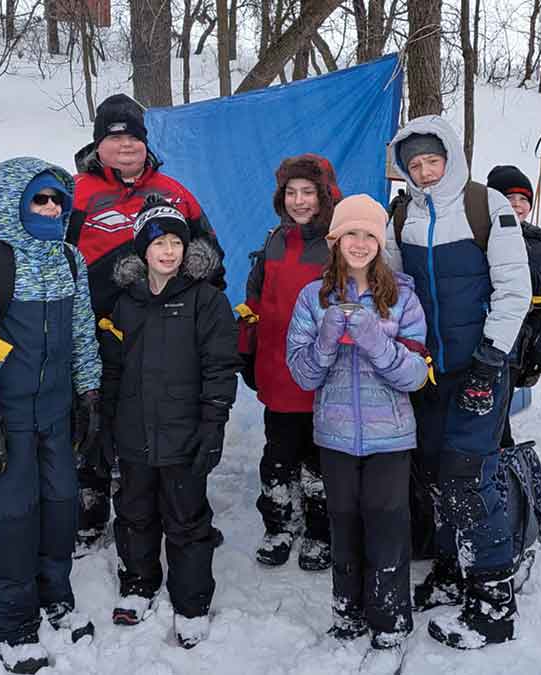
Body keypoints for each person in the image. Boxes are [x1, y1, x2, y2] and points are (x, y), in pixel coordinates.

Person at [0, 157, 101, 673]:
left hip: (56, 416)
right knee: (10, 519)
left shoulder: (70, 261)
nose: (53, 207)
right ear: (13, 204)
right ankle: (11, 624)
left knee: (59, 507)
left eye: (59, 199)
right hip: (4, 419)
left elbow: (82, 333)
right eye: (41, 199)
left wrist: (89, 394)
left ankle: (54, 597)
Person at [387, 117, 531, 649]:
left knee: (469, 477)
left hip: (481, 366)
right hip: (427, 371)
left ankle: (493, 603)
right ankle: (453, 568)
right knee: (432, 471)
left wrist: (491, 359)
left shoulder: (485, 205)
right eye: (415, 164)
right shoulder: (403, 212)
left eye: (432, 161)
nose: (424, 173)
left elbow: (515, 286)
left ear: (450, 156)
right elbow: (396, 286)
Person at [67, 93, 227, 553]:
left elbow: (211, 253)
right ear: (98, 144)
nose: (126, 145)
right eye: (115, 136)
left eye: (134, 136)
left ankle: (181, 512)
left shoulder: (175, 191)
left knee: (161, 415)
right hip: (96, 327)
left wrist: (201, 284)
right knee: (94, 414)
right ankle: (91, 506)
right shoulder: (76, 191)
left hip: (165, 326)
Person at [287, 194, 428, 660]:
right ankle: (347, 612)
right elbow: (303, 375)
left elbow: (414, 375)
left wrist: (374, 342)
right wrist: (327, 338)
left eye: (370, 234)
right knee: (343, 524)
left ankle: (390, 618)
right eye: (352, 233)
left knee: (387, 524)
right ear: (335, 239)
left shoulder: (403, 297)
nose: (361, 243)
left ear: (381, 242)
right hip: (336, 435)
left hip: (390, 435)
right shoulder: (314, 297)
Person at [99, 196, 239, 649]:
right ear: (143, 248)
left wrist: (213, 424)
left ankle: (192, 601)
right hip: (135, 430)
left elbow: (220, 368)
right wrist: (105, 422)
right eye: (158, 241)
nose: (168, 251)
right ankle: (139, 584)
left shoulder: (207, 301)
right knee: (135, 512)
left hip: (183, 433)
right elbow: (113, 368)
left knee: (187, 519)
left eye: (177, 241)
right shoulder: (125, 304)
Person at [238, 154, 339, 568]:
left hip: (321, 377)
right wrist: (246, 349)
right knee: (277, 458)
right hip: (277, 373)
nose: (299, 201)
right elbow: (254, 300)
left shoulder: (338, 243)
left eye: (308, 193)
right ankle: (280, 523)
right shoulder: (274, 240)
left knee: (318, 463)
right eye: (291, 193)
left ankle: (320, 531)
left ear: (325, 196)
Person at [486, 165, 541, 448]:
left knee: (499, 412)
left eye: (523, 199)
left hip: (517, 341)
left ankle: (503, 461)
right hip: (484, 334)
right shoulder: (481, 234)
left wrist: (539, 348)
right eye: (509, 198)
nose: (517, 205)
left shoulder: (535, 241)